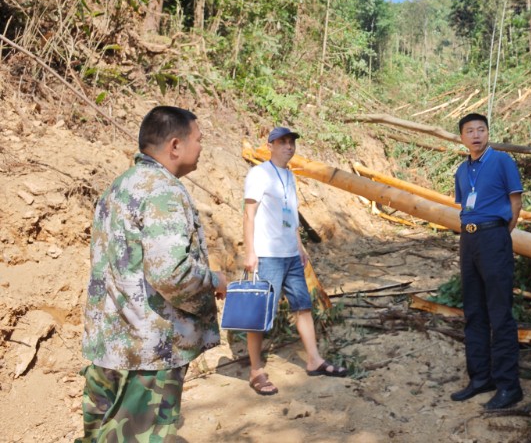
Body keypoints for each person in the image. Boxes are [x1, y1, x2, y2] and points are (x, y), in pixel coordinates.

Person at [79, 106, 228, 442]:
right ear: (175, 145)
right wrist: (216, 281)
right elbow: (170, 274)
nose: (202, 147)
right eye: (199, 140)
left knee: (102, 436)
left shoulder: (119, 186)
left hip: (110, 345)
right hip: (148, 353)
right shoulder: (163, 191)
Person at [242, 126, 347, 395]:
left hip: (290, 254)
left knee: (303, 305)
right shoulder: (259, 174)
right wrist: (250, 252)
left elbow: (291, 215)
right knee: (260, 314)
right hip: (268, 255)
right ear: (270, 146)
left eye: (292, 143)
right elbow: (249, 215)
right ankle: (256, 371)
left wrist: (299, 246)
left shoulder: (289, 176)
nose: (289, 147)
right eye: (283, 142)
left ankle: (314, 360)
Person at [450, 113, 524, 410]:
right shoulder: (461, 170)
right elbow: (465, 203)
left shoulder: (502, 161)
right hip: (468, 240)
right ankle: (480, 377)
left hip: (494, 237)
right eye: (470, 131)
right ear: (462, 137)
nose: (476, 135)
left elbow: (515, 202)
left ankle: (509, 385)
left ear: (488, 133)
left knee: (499, 313)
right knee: (474, 311)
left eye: (481, 129)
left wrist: (500, 235)